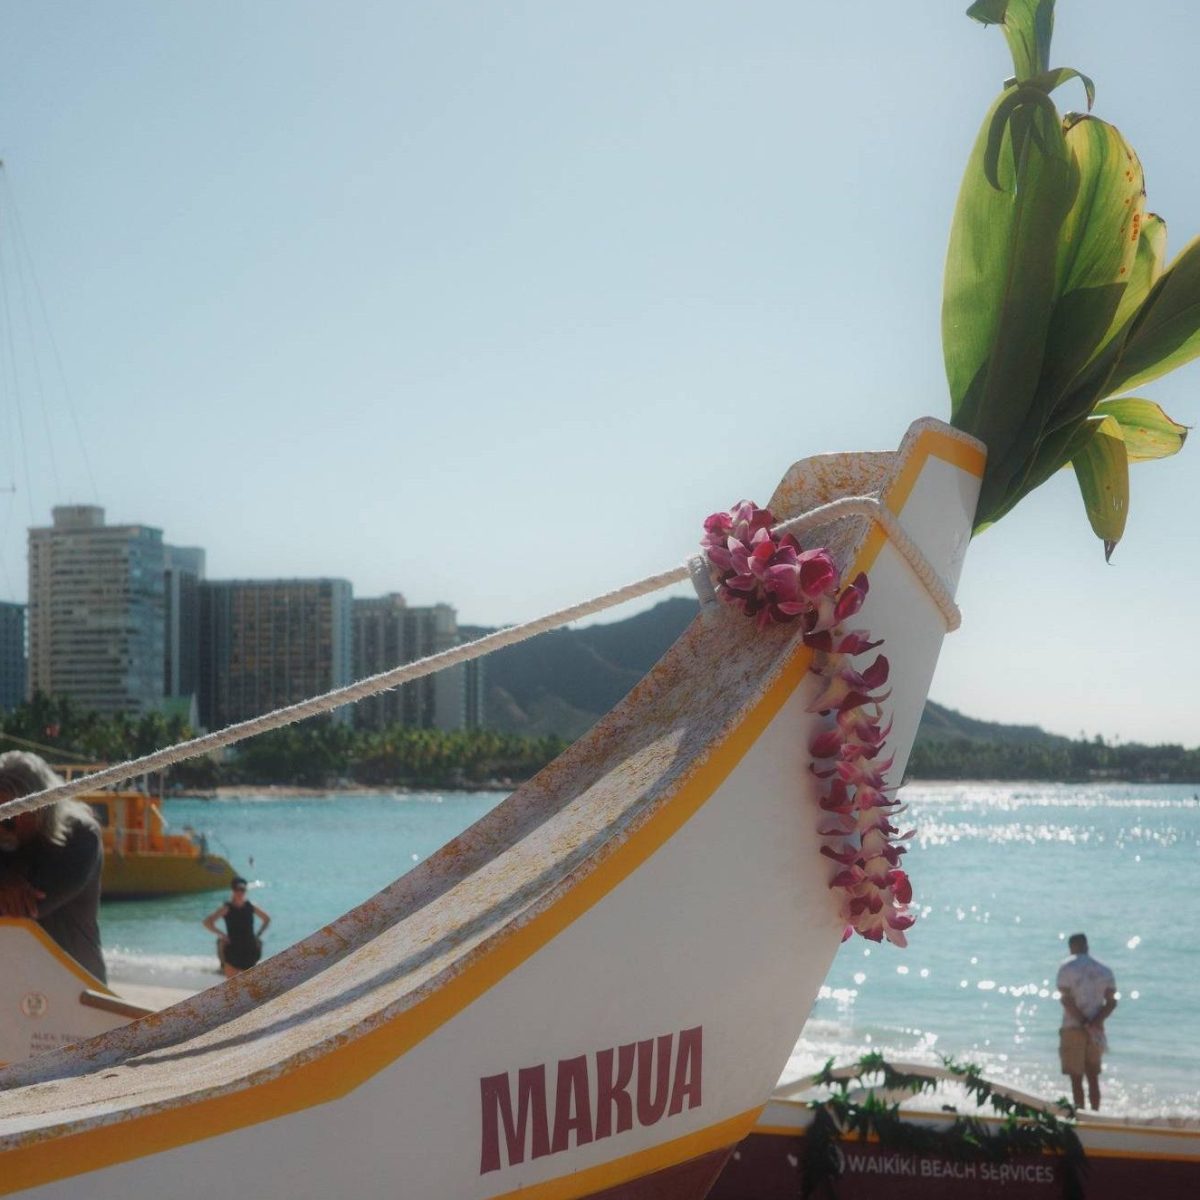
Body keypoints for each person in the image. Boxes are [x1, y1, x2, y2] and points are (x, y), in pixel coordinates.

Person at [0, 750, 106, 983]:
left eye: (8, 818)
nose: (1, 829)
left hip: (76, 985)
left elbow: (25, 908)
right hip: (17, 986)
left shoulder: (80, 837)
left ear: (40, 807)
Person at [1056, 932, 1117, 1111]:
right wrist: (1095, 1022)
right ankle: (1096, 1114)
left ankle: (1080, 1115)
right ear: (1087, 946)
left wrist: (1083, 1022)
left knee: (1076, 1078)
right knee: (1093, 1076)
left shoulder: (1067, 967)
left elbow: (1066, 1000)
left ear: (1071, 947)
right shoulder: (1104, 969)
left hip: (1073, 1026)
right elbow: (1111, 1002)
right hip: (1096, 1029)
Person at [203, 876, 270, 977]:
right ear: (233, 890)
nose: (240, 892)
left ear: (245, 890)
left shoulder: (250, 906)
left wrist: (259, 934)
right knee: (232, 985)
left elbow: (266, 919)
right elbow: (207, 922)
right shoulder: (227, 908)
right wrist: (222, 935)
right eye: (237, 889)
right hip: (233, 949)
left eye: (242, 889)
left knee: (250, 984)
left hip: (249, 949)